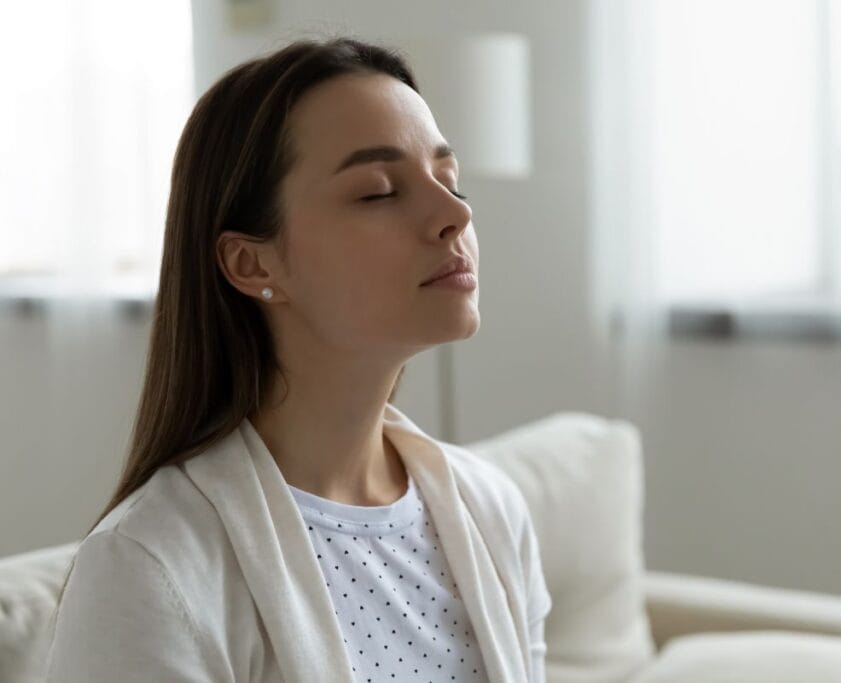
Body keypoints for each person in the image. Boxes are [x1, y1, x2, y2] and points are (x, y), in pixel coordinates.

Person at [44, 36, 551, 683]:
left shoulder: (492, 512)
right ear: (252, 262)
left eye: (449, 180)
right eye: (378, 191)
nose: (454, 213)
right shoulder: (150, 567)